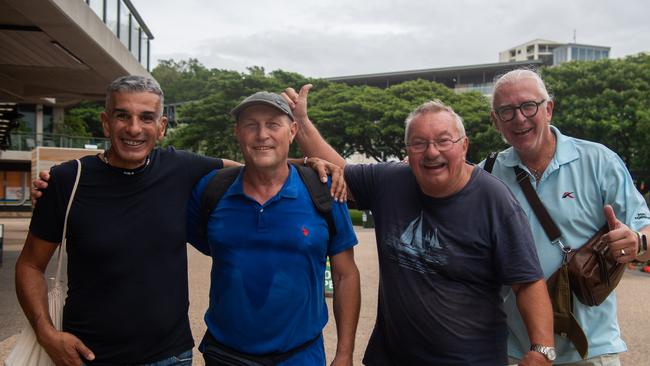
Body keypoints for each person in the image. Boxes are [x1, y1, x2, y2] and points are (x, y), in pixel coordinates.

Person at [19, 76, 344, 366]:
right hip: (86, 354)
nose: (134, 128)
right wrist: (47, 332)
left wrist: (306, 162)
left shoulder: (181, 168)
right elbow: (30, 266)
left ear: (161, 127)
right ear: (106, 123)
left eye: (146, 118)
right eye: (122, 116)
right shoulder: (67, 181)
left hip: (169, 356)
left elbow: (252, 163)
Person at [282, 85, 555, 365]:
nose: (431, 152)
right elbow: (336, 170)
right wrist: (301, 123)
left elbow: (528, 282)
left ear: (464, 145)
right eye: (419, 143)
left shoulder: (494, 200)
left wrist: (543, 349)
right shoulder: (390, 181)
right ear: (407, 150)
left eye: (443, 141)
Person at [486, 69, 650, 365]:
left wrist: (636, 242)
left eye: (528, 106)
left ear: (548, 108)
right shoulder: (487, 173)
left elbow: (645, 229)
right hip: (517, 351)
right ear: (495, 120)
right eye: (506, 111)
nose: (519, 118)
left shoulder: (599, 161)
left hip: (592, 348)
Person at [185, 91, 361, 366]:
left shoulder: (323, 189)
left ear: (292, 132)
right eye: (251, 125)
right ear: (237, 133)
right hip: (226, 356)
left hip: (301, 356)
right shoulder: (211, 190)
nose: (262, 134)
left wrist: (344, 354)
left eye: (272, 124)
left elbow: (345, 275)